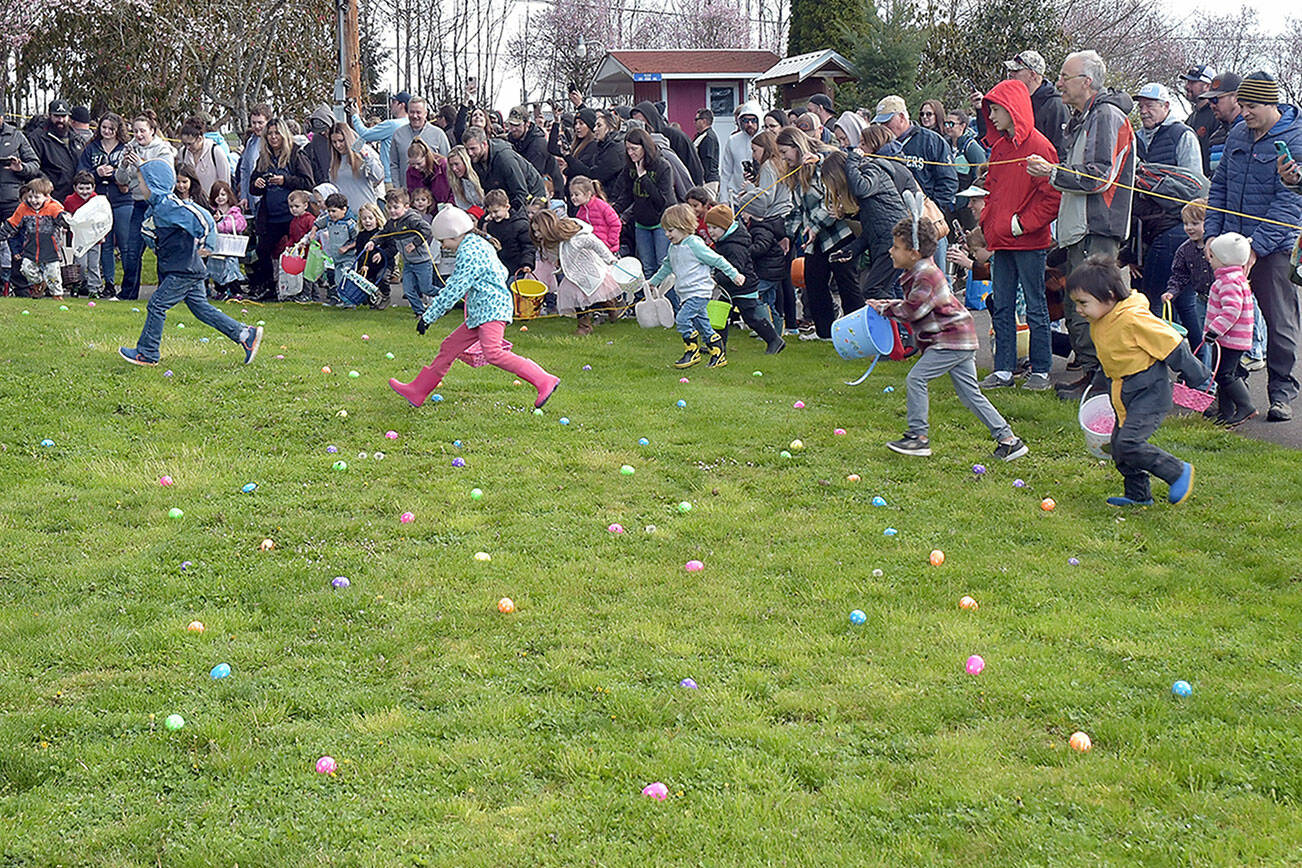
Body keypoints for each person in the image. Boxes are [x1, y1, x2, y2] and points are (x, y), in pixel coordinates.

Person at [867, 215, 1029, 461]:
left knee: (916, 379)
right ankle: (1009, 440)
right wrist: (890, 304)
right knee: (970, 394)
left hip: (950, 340)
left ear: (913, 252)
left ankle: (918, 437)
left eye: (897, 247)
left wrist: (885, 308)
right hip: (957, 338)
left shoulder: (925, 275)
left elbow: (914, 310)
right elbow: (915, 305)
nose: (891, 251)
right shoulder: (919, 269)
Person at [1026, 50, 1135, 399]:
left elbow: (1098, 177)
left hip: (1097, 227)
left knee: (1092, 303)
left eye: (1064, 76)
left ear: (1086, 82)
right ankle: (1092, 375)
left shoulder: (1105, 116)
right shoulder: (1085, 116)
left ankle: (1100, 381)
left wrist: (1051, 172)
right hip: (1081, 227)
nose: (1058, 83)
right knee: (1079, 304)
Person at [1067, 256, 1205, 506]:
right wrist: (1100, 379)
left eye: (1083, 302)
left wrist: (1198, 377)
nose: (1078, 309)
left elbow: (1172, 343)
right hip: (1122, 389)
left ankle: (1177, 471)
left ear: (1109, 295)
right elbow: (1113, 353)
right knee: (1119, 447)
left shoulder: (1133, 318)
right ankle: (1138, 495)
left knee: (1130, 442)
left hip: (1149, 390)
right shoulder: (1100, 319)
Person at [389, 206, 560, 408]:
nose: (443, 246)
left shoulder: (469, 252)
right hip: (481, 311)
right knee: (449, 347)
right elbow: (501, 271)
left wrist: (428, 316)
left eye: (443, 240)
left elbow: (454, 288)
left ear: (454, 234)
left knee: (494, 352)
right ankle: (418, 390)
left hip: (491, 310)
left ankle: (543, 379)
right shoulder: (479, 243)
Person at [118, 160, 262, 366]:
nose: (139, 188)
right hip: (184, 267)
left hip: (183, 269)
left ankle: (147, 352)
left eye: (142, 183)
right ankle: (245, 335)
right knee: (201, 309)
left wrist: (207, 243)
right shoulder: (157, 208)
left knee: (157, 304)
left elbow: (202, 217)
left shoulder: (170, 205)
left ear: (154, 184)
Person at [1225, 72, 1302, 423]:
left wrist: (1256, 247)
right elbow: (1222, 186)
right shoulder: (1238, 133)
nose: (1244, 113)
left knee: (1279, 322)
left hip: (1274, 247)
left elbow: (1289, 204)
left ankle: (1281, 392)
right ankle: (1229, 391)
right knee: (1227, 318)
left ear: (1271, 104)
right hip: (1233, 245)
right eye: (1241, 105)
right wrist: (1216, 238)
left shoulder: (1296, 137)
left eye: (1251, 106)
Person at [978, 79, 1062, 391]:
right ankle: (1003, 369)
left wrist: (1020, 224)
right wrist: (990, 224)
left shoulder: (1041, 147)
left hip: (1028, 241)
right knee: (1001, 304)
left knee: (1035, 305)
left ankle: (1041, 369)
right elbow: (992, 191)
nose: (992, 115)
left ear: (1013, 110)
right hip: (1002, 240)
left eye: (996, 109)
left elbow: (1051, 197)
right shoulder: (999, 148)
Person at [777, 127, 864, 340]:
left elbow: (832, 201)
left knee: (847, 284)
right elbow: (798, 210)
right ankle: (825, 332)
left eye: (785, 152)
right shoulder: (795, 174)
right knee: (814, 282)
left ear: (797, 147)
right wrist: (787, 234)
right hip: (815, 240)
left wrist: (814, 227)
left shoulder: (819, 163)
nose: (783, 157)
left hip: (839, 234)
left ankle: (857, 331)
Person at [649, 203, 744, 368]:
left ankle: (691, 352)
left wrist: (734, 274)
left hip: (699, 292)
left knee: (682, 319)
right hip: (685, 293)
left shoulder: (694, 244)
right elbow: (666, 267)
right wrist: (653, 283)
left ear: (683, 226)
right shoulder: (673, 248)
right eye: (665, 230)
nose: (666, 234)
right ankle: (718, 353)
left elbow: (717, 260)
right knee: (703, 325)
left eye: (670, 230)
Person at [703, 205, 784, 354]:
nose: (711, 231)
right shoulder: (725, 241)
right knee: (719, 315)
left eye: (715, 227)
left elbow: (735, 269)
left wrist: (716, 279)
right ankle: (718, 346)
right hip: (729, 288)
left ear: (726, 227)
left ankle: (774, 340)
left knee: (751, 318)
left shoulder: (735, 246)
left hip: (744, 287)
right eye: (709, 227)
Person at [735, 129, 795, 332]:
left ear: (765, 149)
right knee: (780, 282)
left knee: (766, 282)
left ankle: (767, 327)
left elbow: (766, 197)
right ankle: (782, 325)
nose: (753, 155)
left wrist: (748, 192)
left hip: (773, 220)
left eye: (754, 150)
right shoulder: (781, 164)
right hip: (783, 220)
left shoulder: (769, 165)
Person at [247, 117, 314, 298]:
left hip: (293, 215)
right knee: (263, 251)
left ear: (284, 134)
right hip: (271, 216)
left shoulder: (295, 154)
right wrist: (258, 182)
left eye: (277, 133)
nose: (273, 137)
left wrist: (285, 181)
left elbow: (308, 182)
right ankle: (270, 287)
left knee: (298, 251)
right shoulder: (264, 157)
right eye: (270, 134)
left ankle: (302, 290)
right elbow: (252, 187)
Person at [115, 114, 176, 300]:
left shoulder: (163, 149)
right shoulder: (129, 147)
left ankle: (163, 293)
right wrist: (124, 165)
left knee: (161, 250)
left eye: (143, 130)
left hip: (159, 206)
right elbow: (121, 181)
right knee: (132, 250)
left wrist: (140, 164)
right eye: (136, 130)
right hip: (138, 204)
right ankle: (128, 293)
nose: (139, 134)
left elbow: (165, 179)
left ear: (152, 130)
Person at [529, 208, 621, 334]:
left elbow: (595, 243)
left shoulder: (574, 239)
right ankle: (584, 326)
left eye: (539, 231)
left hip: (589, 269)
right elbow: (552, 259)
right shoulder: (546, 244)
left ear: (547, 228)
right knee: (576, 296)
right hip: (573, 274)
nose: (536, 234)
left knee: (597, 292)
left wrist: (610, 259)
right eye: (534, 231)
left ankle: (611, 307)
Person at [1200, 233, 1258, 425]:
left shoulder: (1228, 281)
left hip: (1231, 338)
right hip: (1228, 338)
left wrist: (1213, 331)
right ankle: (1225, 412)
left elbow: (1231, 310)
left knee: (1226, 374)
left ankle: (1246, 405)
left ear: (1224, 260)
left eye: (1213, 257)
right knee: (1221, 374)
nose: (1210, 260)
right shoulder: (1234, 277)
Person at [971, 50, 1070, 159]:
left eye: (1016, 70)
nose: (1011, 74)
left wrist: (1052, 173)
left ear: (1033, 75)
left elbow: (1061, 150)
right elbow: (995, 137)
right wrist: (981, 109)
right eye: (1011, 70)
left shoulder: (1055, 105)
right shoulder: (1013, 101)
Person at [874, 95, 958, 217]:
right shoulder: (880, 146)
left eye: (886, 122)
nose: (883, 127)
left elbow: (948, 181)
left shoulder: (932, 141)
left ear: (902, 117)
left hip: (925, 217)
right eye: (880, 123)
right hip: (892, 217)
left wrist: (932, 209)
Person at [75, 112, 129, 299]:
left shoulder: (125, 148)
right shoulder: (91, 148)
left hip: (122, 200)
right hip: (98, 202)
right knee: (104, 244)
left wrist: (114, 173)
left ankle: (129, 286)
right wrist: (96, 173)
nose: (107, 131)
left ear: (118, 130)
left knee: (125, 243)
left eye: (111, 128)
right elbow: (81, 172)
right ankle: (109, 284)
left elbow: (132, 174)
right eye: (104, 127)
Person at [613, 127, 677, 279]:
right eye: (628, 149)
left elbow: (662, 200)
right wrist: (613, 210)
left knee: (663, 266)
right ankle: (651, 301)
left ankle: (669, 301)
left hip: (662, 223)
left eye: (634, 149)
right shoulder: (630, 168)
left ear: (645, 147)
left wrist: (644, 178)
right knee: (647, 267)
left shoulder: (663, 166)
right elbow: (627, 194)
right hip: (641, 223)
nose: (631, 153)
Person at [1162, 198, 1213, 367]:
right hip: (1202, 300)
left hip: (1222, 302)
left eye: (1195, 223)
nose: (1189, 228)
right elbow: (1179, 275)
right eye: (1186, 223)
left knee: (1222, 343)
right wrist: (1171, 292)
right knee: (1204, 342)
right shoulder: (1184, 250)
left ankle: (1221, 379)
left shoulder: (1219, 244)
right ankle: (1205, 381)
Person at [371, 187, 434, 318]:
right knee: (409, 290)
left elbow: (427, 229)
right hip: (408, 263)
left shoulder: (412, 219)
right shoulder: (391, 223)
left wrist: (414, 243)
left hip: (422, 261)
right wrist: (373, 241)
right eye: (389, 208)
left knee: (426, 289)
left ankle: (448, 297)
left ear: (406, 207)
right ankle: (420, 312)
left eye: (396, 207)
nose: (392, 211)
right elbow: (384, 233)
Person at [0, 177, 68, 297]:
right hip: (30, 249)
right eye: (30, 197)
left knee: (53, 274)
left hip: (51, 249)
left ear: (46, 196)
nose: (33, 200)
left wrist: (67, 221)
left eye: (37, 197)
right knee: (26, 269)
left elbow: (63, 219)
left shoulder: (53, 207)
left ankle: (57, 294)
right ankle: (37, 282)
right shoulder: (23, 208)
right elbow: (12, 223)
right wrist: (2, 234)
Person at [0, 107, 41, 294]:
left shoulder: (16, 136)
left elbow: (34, 164)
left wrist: (21, 168)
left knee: (17, 244)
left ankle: (22, 287)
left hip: (11, 200)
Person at [462, 125, 545, 211]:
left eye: (473, 148)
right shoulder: (476, 159)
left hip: (532, 195)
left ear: (484, 144)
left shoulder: (504, 158)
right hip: (508, 197)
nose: (470, 153)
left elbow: (521, 192)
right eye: (466, 149)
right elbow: (489, 191)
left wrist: (511, 216)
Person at [1133, 83, 1201, 173]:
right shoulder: (1134, 138)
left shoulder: (1182, 135)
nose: (1143, 111)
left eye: (1149, 106)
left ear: (1166, 106)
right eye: (1141, 107)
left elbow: (1194, 180)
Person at [631, 101, 703, 185]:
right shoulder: (639, 142)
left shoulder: (675, 136)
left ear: (651, 118)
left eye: (641, 121)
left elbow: (693, 164)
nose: (640, 126)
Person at [29, 99, 84, 200]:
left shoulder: (76, 138)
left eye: (63, 116)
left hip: (76, 195)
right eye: (57, 116)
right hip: (52, 195)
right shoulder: (38, 137)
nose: (61, 120)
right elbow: (33, 165)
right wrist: (45, 182)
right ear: (50, 115)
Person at [349, 93, 409, 185]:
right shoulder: (410, 125)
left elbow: (364, 134)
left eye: (393, 102)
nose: (391, 105)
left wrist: (355, 116)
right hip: (405, 177)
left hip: (389, 179)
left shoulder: (392, 125)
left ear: (402, 105)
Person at [62, 171, 105, 296]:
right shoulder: (70, 200)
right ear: (75, 187)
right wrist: (66, 226)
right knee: (80, 264)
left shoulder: (97, 201)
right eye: (81, 188)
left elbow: (102, 220)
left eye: (88, 188)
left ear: (93, 187)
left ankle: (94, 288)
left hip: (94, 238)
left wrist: (102, 235)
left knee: (94, 264)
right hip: (79, 238)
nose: (84, 192)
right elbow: (67, 216)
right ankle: (77, 284)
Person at [325, 123, 384, 212]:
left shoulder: (361, 152)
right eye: (334, 142)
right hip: (345, 216)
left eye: (341, 140)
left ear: (347, 138)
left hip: (365, 212)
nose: (338, 145)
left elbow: (379, 176)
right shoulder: (334, 162)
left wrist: (367, 158)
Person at [506, 106, 562, 199]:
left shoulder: (538, 145)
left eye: (517, 125)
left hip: (549, 192)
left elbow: (533, 174)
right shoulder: (511, 140)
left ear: (527, 124)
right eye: (511, 124)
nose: (513, 129)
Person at [391, 97, 450, 181]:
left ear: (426, 113)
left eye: (418, 112)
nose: (415, 116)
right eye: (412, 112)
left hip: (433, 191)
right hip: (406, 190)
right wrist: (397, 188)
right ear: (408, 112)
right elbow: (394, 164)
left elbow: (447, 164)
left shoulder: (438, 134)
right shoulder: (398, 135)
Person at [315, 192, 358, 303]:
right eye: (329, 211)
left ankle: (351, 302)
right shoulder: (329, 219)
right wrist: (312, 232)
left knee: (347, 278)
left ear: (344, 209)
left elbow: (358, 240)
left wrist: (347, 247)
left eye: (334, 211)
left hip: (349, 257)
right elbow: (318, 223)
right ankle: (343, 301)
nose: (331, 214)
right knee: (338, 281)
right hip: (336, 258)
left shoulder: (350, 223)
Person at [207, 180, 247, 298]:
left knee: (231, 266)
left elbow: (241, 225)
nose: (220, 198)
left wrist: (222, 223)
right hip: (217, 245)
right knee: (216, 266)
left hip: (230, 246)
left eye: (223, 194)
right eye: (217, 195)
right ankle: (221, 290)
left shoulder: (234, 211)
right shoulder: (212, 211)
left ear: (229, 195)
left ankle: (236, 291)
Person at [480, 188, 534, 275]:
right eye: (490, 212)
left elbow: (528, 246)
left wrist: (527, 263)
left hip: (517, 268)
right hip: (498, 267)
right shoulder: (491, 225)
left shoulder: (520, 225)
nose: (493, 215)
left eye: (496, 211)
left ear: (507, 207)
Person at [177, 116, 232, 197]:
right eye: (184, 144)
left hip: (213, 203)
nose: (187, 147)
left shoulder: (216, 152)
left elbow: (225, 183)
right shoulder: (183, 152)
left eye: (190, 144)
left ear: (199, 139)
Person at [1203, 72, 1243, 175]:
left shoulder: (1255, 132)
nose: (1211, 105)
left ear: (1236, 98)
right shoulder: (1215, 138)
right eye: (1209, 101)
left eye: (1215, 99)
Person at [1182, 65, 1218, 174]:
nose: (1187, 86)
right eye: (1187, 82)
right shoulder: (1190, 119)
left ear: (1207, 86)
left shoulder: (1216, 117)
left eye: (1192, 83)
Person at [569, 175, 620, 253]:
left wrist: (610, 242)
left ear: (588, 194)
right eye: (571, 195)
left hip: (607, 248)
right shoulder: (580, 212)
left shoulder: (602, 205)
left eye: (576, 194)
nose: (573, 198)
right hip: (593, 248)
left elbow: (616, 224)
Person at [235, 104, 270, 213]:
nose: (257, 126)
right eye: (254, 122)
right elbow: (245, 170)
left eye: (260, 123)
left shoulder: (273, 141)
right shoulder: (251, 142)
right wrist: (244, 195)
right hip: (253, 197)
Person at [447, 145, 485, 211]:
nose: (454, 169)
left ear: (465, 162)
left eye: (456, 164)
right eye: (451, 165)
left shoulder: (481, 176)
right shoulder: (456, 182)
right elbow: (463, 206)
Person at [693, 109, 720, 198]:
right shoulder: (701, 136)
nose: (694, 122)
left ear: (704, 121)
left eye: (696, 119)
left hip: (708, 181)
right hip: (704, 180)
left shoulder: (708, 138)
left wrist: (702, 180)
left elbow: (707, 161)